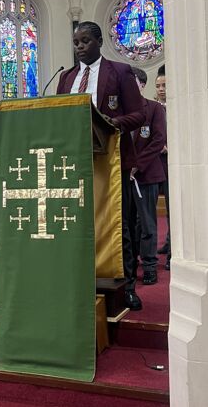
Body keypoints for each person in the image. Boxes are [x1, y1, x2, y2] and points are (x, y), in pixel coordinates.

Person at [56, 21, 145, 310]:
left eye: (86, 41)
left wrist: (110, 123)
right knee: (80, 224)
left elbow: (139, 115)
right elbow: (59, 115)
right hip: (75, 162)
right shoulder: (67, 78)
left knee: (120, 225)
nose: (80, 47)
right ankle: (81, 279)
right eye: (76, 42)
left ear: (99, 42)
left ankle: (127, 286)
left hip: (113, 160)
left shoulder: (119, 72)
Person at [130, 67, 166, 285]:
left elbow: (158, 140)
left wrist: (137, 165)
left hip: (146, 174)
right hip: (125, 176)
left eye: (132, 82)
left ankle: (150, 265)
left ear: (142, 85)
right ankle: (130, 263)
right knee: (129, 224)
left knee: (147, 224)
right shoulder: (119, 110)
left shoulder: (153, 108)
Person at [155, 65, 171, 270]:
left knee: (172, 208)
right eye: (158, 86)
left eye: (164, 85)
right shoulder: (153, 108)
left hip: (171, 163)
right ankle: (165, 243)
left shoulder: (178, 107)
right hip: (155, 162)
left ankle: (172, 247)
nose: (161, 89)